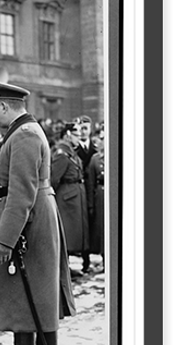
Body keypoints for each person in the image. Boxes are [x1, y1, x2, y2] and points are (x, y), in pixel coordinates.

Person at [0, 79, 75, 345]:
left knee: (24, 289)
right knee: (40, 287)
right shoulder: (27, 131)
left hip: (29, 218)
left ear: (5, 106)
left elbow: (20, 194)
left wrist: (4, 240)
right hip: (37, 215)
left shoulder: (22, 135)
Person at [51, 122, 90, 277]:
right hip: (66, 200)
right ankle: (62, 270)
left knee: (73, 235)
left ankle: (66, 269)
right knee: (66, 235)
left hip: (74, 198)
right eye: (76, 135)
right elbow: (54, 179)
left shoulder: (71, 152)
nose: (79, 138)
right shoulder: (62, 153)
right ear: (67, 135)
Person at [74, 115, 97, 273]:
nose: (82, 132)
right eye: (79, 129)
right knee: (82, 226)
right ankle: (85, 260)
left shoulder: (96, 150)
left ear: (90, 130)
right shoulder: (74, 151)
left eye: (85, 128)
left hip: (94, 192)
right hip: (81, 192)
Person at [86, 126, 105, 270]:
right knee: (101, 228)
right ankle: (105, 257)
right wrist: (91, 204)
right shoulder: (95, 159)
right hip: (100, 195)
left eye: (104, 139)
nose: (101, 142)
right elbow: (91, 181)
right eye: (101, 139)